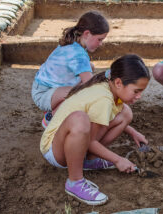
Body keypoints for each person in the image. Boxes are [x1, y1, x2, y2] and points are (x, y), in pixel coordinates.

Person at [40, 54, 150, 205]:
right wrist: (118, 160)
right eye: (136, 91)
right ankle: (75, 181)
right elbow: (90, 141)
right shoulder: (103, 98)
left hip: (72, 143)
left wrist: (132, 132)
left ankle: (88, 161)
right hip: (55, 150)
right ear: (118, 82)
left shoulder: (110, 88)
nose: (139, 96)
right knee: (80, 119)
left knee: (125, 113)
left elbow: (107, 119)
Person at [31, 11, 109, 128]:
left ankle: (56, 109)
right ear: (87, 34)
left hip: (45, 87)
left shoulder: (73, 43)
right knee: (81, 93)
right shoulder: (78, 55)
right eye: (100, 39)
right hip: (43, 93)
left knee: (85, 80)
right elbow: (90, 83)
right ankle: (51, 120)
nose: (101, 44)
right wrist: (107, 80)